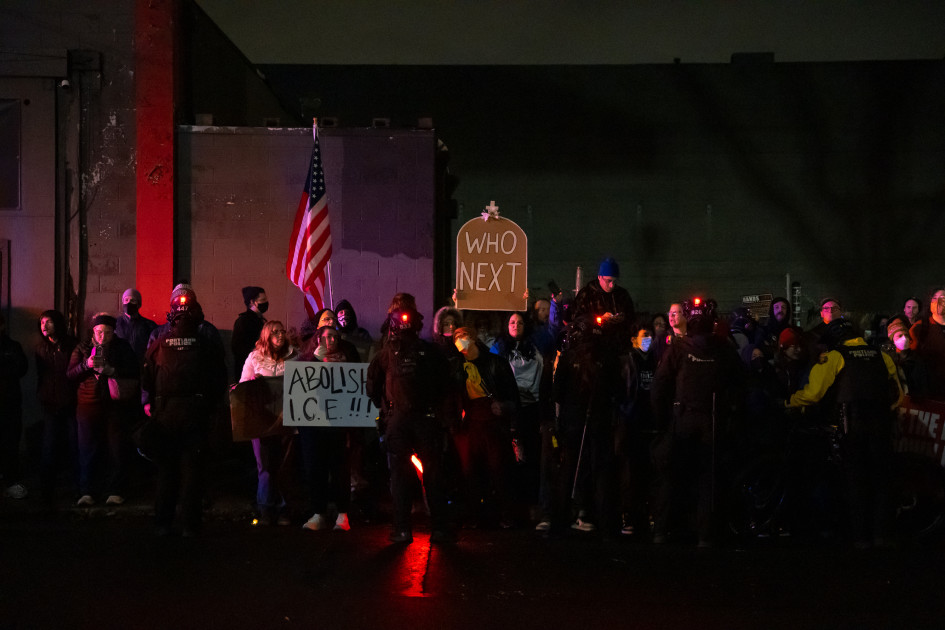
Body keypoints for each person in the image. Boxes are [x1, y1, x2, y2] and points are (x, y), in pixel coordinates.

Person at [787, 319, 903, 547]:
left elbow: (813, 394)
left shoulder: (835, 356)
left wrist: (789, 401)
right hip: (881, 425)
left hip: (852, 426)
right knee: (881, 480)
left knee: (855, 480)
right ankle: (881, 535)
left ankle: (859, 538)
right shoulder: (882, 355)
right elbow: (898, 393)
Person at [651, 298, 742, 547]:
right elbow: (740, 383)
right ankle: (705, 534)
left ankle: (663, 530)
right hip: (712, 421)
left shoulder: (679, 349)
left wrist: (662, 420)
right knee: (707, 478)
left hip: (682, 419)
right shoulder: (723, 348)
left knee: (671, 475)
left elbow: (659, 385)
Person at [367, 306, 455, 544]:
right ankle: (440, 530)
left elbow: (371, 388)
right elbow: (446, 385)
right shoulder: (432, 352)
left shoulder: (384, 355)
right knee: (433, 475)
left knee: (399, 476)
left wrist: (387, 412)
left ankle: (402, 530)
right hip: (427, 421)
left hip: (398, 422)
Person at [142, 300, 225, 536]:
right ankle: (190, 525)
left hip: (165, 415)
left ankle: (162, 523)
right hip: (195, 416)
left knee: (167, 471)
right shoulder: (206, 344)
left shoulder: (158, 344)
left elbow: (146, 377)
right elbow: (218, 380)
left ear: (172, 319)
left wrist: (153, 402)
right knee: (192, 472)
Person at [450, 326, 519, 528]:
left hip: (493, 423)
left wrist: (504, 408)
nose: (459, 342)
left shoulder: (495, 363)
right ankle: (476, 516)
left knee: (498, 469)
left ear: (473, 339)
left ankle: (506, 515)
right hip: (470, 422)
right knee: (471, 471)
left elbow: (513, 397)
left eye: (462, 337)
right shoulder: (456, 366)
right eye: (456, 338)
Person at [67, 313, 138, 506]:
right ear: (93, 332)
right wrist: (86, 365)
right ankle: (87, 491)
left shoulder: (122, 347)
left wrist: (112, 370)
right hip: (88, 405)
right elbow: (70, 374)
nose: (102, 336)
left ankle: (115, 490)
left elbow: (134, 371)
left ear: (114, 332)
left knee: (116, 448)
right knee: (87, 449)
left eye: (107, 332)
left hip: (114, 405)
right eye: (99, 332)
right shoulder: (83, 347)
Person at [240, 320, 299, 525]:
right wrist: (253, 382)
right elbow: (243, 387)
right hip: (262, 421)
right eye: (275, 332)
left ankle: (283, 510)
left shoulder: (294, 356)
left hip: (287, 419)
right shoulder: (254, 358)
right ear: (266, 335)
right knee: (265, 466)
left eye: (282, 331)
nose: (280, 335)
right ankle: (266, 509)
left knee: (284, 466)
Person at [299, 326, 354, 532]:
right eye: (326, 336)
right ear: (318, 339)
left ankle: (343, 513)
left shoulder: (346, 358)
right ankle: (318, 512)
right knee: (315, 468)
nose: (331, 340)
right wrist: (314, 361)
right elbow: (300, 384)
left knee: (339, 468)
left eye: (334, 336)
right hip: (313, 424)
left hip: (338, 422)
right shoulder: (306, 358)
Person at [491, 312, 544, 521]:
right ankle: (510, 506)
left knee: (530, 457)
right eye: (512, 322)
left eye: (520, 322)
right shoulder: (498, 347)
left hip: (531, 407)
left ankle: (530, 504)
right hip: (508, 409)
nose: (516, 325)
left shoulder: (536, 345)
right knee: (507, 458)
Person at [616, 325, 659, 536]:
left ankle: (649, 515)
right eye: (644, 336)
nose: (648, 339)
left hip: (650, 423)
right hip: (631, 422)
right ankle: (630, 516)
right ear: (634, 340)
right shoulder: (627, 361)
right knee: (630, 473)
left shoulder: (657, 360)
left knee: (650, 473)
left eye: (650, 335)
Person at [35, 310, 79, 505]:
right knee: (49, 447)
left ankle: (76, 488)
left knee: (74, 445)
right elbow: (41, 375)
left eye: (49, 322)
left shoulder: (71, 345)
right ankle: (47, 493)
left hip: (70, 402)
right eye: (42, 322)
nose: (45, 326)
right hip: (50, 404)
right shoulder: (41, 348)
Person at [573, 257, 635, 352]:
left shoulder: (622, 294)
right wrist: (599, 319)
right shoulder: (586, 294)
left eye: (615, 281)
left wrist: (623, 318)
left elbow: (632, 318)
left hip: (618, 348)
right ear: (599, 277)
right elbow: (575, 317)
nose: (612, 285)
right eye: (608, 281)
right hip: (593, 347)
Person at [0, 314, 29, 500]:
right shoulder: (12, 348)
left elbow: (21, 369)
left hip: (9, 402)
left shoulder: (12, 346)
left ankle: (11, 480)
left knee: (10, 442)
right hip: (9, 400)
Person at [908, 288, 945, 401]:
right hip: (928, 393)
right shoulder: (919, 328)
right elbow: (907, 358)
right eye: (935, 298)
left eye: (943, 298)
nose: (938, 302)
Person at [232, 286, 268, 381]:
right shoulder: (243, 321)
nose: (265, 302)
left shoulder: (260, 320)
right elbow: (238, 349)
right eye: (262, 300)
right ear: (252, 302)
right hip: (248, 373)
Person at [114, 288, 158, 361]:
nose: (129, 303)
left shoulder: (149, 325)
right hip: (120, 368)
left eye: (133, 300)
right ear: (122, 303)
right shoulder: (115, 324)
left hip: (140, 367)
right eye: (126, 300)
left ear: (138, 304)